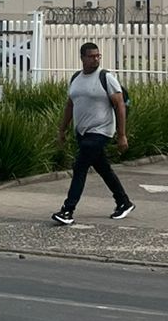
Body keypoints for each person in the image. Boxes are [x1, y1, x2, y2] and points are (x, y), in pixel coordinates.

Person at [52, 41, 134, 226]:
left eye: (98, 56)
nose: (95, 59)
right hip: (83, 132)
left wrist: (122, 135)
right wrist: (62, 130)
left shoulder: (106, 77)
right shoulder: (76, 79)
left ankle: (67, 210)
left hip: (101, 131)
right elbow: (70, 105)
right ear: (82, 58)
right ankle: (123, 202)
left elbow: (120, 105)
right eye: (91, 56)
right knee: (103, 168)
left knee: (79, 166)